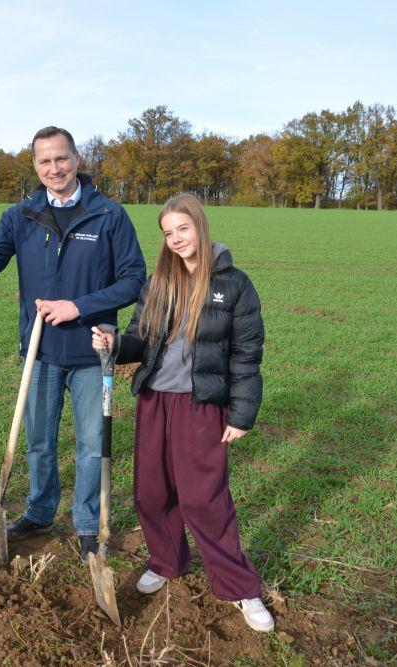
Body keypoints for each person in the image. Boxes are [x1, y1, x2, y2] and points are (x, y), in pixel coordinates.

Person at [0, 126, 146, 561]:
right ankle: (40, 511)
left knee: (90, 444)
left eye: (61, 159)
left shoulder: (109, 215)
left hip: (90, 353)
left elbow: (134, 280)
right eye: (44, 161)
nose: (54, 168)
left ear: (77, 159)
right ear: (35, 166)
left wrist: (77, 307)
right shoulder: (20, 217)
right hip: (39, 354)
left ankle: (85, 524)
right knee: (39, 441)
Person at [91, 193, 274, 633]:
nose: (176, 239)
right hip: (156, 399)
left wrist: (241, 415)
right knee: (151, 492)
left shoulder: (234, 285)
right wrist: (116, 344)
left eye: (183, 229)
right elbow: (139, 336)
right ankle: (167, 560)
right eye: (168, 233)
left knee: (203, 499)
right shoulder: (159, 282)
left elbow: (247, 355)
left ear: (200, 226)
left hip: (202, 404)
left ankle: (239, 586)